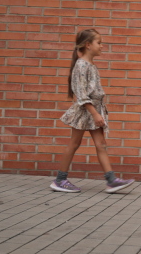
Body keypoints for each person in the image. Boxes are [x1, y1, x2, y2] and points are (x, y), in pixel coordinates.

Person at [50, 29, 135, 194]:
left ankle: (112, 180)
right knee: (74, 143)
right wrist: (95, 114)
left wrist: (97, 112)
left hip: (94, 110)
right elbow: (81, 94)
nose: (102, 46)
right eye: (99, 43)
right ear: (88, 45)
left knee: (101, 144)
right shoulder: (81, 65)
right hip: (85, 110)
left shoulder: (89, 65)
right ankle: (60, 180)